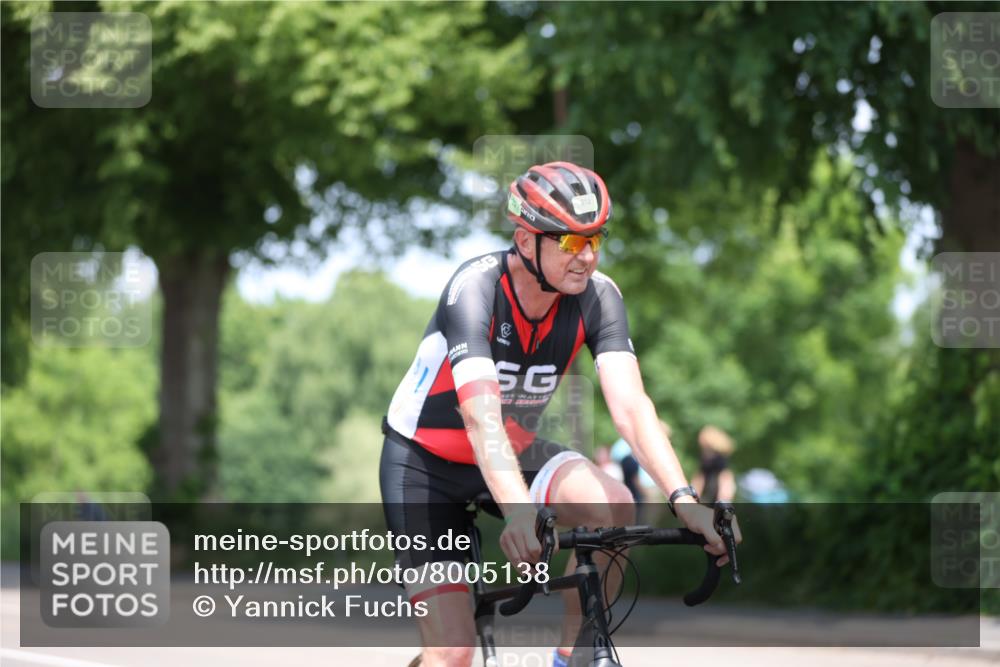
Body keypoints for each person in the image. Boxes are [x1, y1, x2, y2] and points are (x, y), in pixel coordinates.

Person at [380, 161, 740, 667]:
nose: (587, 257)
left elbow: (633, 408)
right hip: (426, 465)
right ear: (526, 241)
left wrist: (685, 499)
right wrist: (520, 512)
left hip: (514, 451)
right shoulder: (476, 290)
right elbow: (479, 419)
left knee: (614, 507)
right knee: (453, 655)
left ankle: (571, 658)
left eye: (596, 239)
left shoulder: (599, 297)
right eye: (571, 243)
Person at [690, 425, 737, 504]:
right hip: (709, 489)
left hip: (717, 488)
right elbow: (700, 476)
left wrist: (723, 498)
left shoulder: (719, 458)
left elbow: (725, 477)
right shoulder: (706, 457)